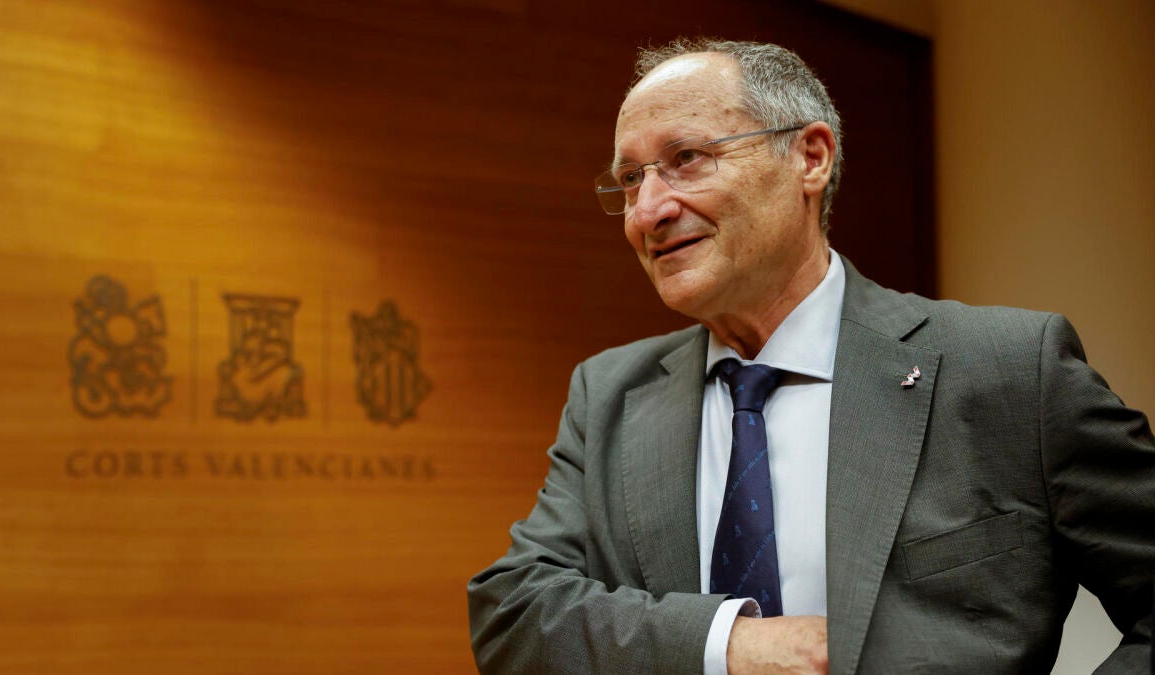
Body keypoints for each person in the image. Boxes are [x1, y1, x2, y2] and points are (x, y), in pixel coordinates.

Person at [467, 38, 1155, 674]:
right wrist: (731, 644)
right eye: (629, 178)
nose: (647, 211)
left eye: (687, 159)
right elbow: (515, 612)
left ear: (811, 158)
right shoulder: (608, 394)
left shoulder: (1010, 370)